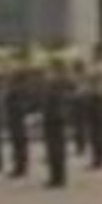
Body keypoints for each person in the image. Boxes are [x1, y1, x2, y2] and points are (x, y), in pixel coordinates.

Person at [42, 58, 72, 189]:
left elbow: (52, 98)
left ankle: (57, 178)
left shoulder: (56, 82)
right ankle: (57, 177)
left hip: (54, 116)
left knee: (55, 147)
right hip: (56, 115)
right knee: (56, 147)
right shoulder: (63, 81)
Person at [5, 53, 32, 178]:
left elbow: (20, 91)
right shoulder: (19, 74)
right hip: (14, 108)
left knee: (19, 138)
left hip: (17, 109)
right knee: (17, 138)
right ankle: (19, 164)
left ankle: (21, 165)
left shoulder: (21, 74)